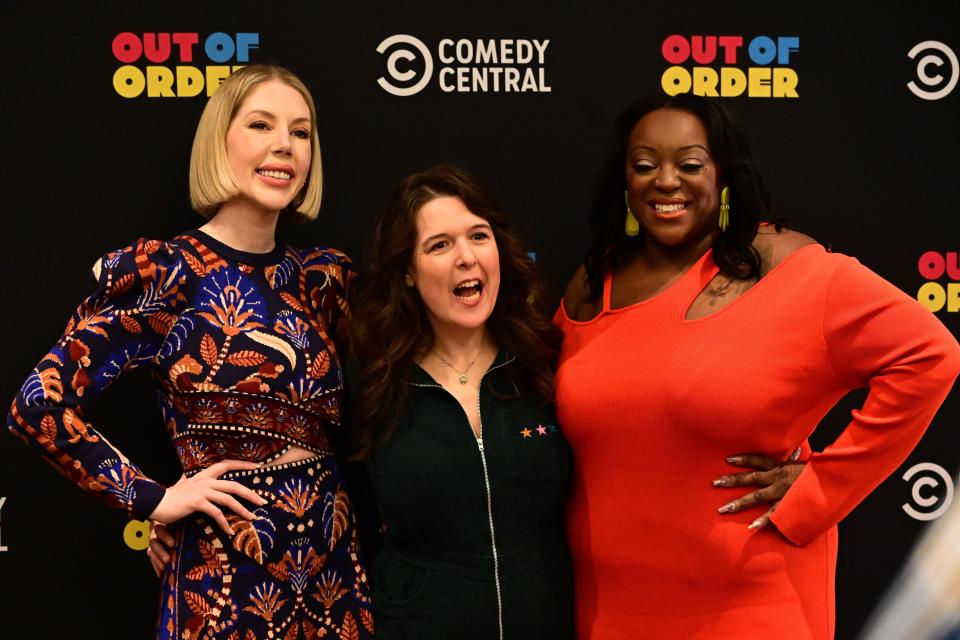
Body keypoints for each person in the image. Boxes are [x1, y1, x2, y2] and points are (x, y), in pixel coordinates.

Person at [555, 93, 960, 639]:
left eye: (690, 164)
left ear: (723, 175)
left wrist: (823, 487)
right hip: (609, 611)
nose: (666, 181)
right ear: (624, 181)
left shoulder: (788, 267)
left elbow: (929, 356)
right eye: (645, 165)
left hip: (752, 610)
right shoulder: (592, 285)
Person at [6, 64, 374, 640]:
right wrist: (153, 499)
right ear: (218, 142)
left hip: (331, 570)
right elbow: (38, 405)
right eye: (261, 124)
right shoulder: (169, 273)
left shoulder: (323, 280)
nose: (285, 145)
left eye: (301, 132)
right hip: (223, 575)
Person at [347, 165, 573, 639]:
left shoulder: (547, 361)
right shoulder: (373, 383)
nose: (466, 257)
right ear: (407, 271)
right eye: (440, 245)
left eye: (478, 236)